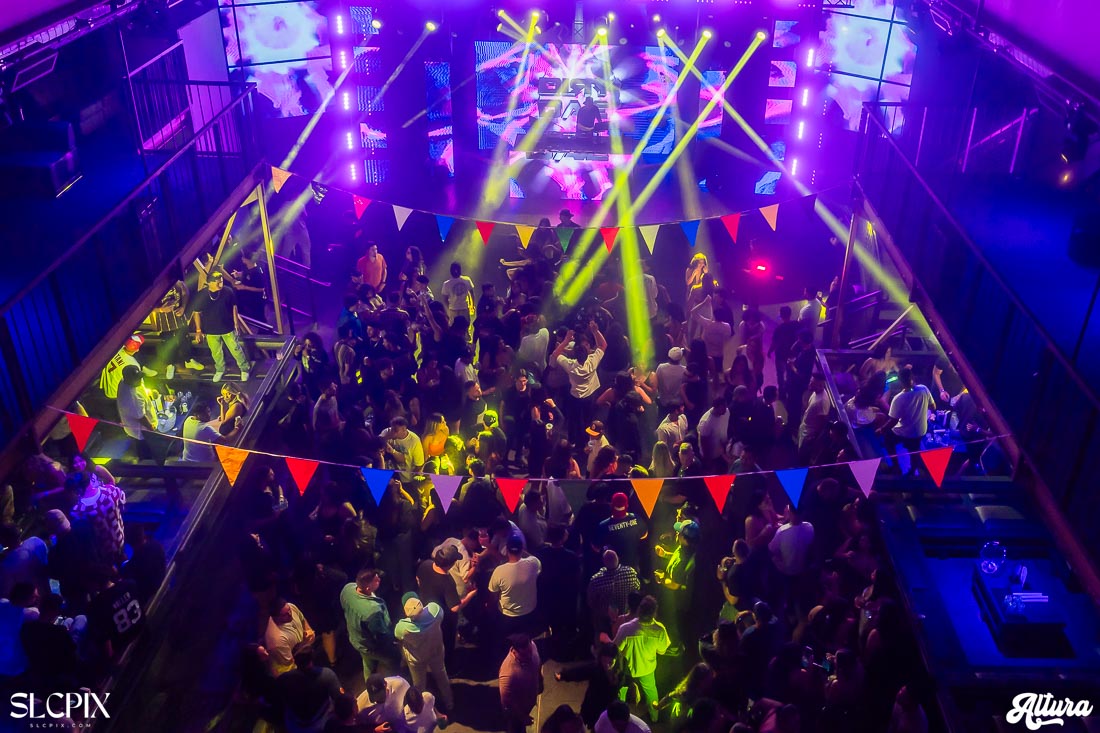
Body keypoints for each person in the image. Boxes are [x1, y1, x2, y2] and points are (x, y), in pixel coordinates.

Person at [610, 595, 669, 720]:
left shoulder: (626, 628)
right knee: (651, 692)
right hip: (647, 668)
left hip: (627, 669)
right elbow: (662, 651)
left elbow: (615, 649)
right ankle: (654, 717)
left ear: (639, 610)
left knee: (622, 692)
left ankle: (620, 717)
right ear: (654, 612)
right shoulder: (660, 629)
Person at [394, 592, 454, 712]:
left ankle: (420, 708)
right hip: (436, 652)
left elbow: (397, 636)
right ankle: (449, 702)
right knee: (442, 676)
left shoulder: (403, 627)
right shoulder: (435, 610)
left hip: (417, 659)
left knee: (419, 684)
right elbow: (440, 614)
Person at [551, 321, 607, 448]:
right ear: (587, 354)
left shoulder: (571, 365)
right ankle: (586, 442)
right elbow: (603, 345)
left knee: (574, 419)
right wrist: (595, 331)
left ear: (575, 355)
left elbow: (555, 354)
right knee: (588, 418)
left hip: (575, 397)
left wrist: (566, 340)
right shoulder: (592, 361)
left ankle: (572, 441)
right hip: (589, 395)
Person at [192, 271, 251, 382]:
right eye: (217, 282)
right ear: (209, 283)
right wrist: (198, 330)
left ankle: (244, 369)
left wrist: (236, 323)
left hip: (227, 327)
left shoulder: (228, 291)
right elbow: (197, 313)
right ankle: (220, 369)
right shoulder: (201, 295)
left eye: (221, 281)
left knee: (236, 349)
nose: (220, 284)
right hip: (210, 329)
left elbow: (234, 307)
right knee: (216, 352)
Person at [340, 569, 397, 679]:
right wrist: (393, 640)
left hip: (357, 639)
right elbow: (381, 635)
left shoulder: (348, 588)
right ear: (367, 588)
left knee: (368, 664)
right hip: (371, 646)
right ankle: (392, 682)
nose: (379, 579)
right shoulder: (372, 611)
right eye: (376, 580)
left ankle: (370, 685)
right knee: (393, 659)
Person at [880, 366, 934, 472]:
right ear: (913, 377)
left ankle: (896, 467)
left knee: (888, 440)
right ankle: (913, 471)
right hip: (920, 431)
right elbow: (933, 406)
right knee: (914, 450)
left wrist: (881, 429)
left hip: (904, 432)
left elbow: (893, 421)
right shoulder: (924, 389)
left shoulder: (898, 398)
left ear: (900, 381)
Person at [488, 534, 541, 639]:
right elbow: (532, 557)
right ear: (522, 550)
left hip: (508, 614)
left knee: (506, 640)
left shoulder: (499, 571)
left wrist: (489, 607)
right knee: (525, 639)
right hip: (529, 612)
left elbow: (493, 595)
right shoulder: (534, 564)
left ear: (507, 550)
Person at [277, 649, 342, 733]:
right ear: (312, 657)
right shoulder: (327, 675)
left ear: (294, 660)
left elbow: (278, 701)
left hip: (295, 726)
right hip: (323, 723)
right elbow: (340, 699)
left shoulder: (283, 678)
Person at [70, 473, 126, 566]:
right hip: (119, 539)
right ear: (90, 481)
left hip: (102, 550)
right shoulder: (110, 491)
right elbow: (123, 503)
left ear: (78, 489)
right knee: (122, 563)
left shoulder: (79, 510)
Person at [586, 549, 640, 633]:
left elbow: (590, 601)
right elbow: (637, 589)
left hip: (605, 622)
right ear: (618, 558)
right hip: (627, 618)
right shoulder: (630, 573)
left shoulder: (596, 580)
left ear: (604, 562)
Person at [499, 633, 541, 733]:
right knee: (516, 728)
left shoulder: (532, 646)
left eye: (530, 651)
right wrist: (522, 717)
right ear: (514, 651)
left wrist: (540, 680)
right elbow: (507, 701)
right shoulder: (508, 673)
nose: (529, 656)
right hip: (517, 712)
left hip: (527, 702)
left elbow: (538, 664)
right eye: (524, 654)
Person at [595, 493, 647, 571]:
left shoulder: (604, 525)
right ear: (627, 505)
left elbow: (596, 548)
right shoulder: (636, 518)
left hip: (613, 570)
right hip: (633, 567)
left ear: (611, 505)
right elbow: (644, 535)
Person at [265, 597, 315, 676]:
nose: (290, 614)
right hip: (288, 670)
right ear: (276, 618)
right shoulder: (277, 640)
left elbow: (302, 619)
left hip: (302, 658)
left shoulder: (291, 607)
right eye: (285, 614)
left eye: (289, 610)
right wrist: (305, 643)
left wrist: (308, 630)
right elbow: (290, 663)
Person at [100, 335, 156, 399]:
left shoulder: (117, 347)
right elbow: (139, 386)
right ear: (137, 350)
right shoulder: (132, 364)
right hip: (114, 395)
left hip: (104, 385)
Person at [769, 306, 800, 395]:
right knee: (790, 372)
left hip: (780, 354)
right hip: (792, 353)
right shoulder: (796, 325)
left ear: (781, 315)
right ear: (790, 314)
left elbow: (774, 342)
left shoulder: (779, 328)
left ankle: (782, 392)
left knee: (780, 374)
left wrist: (770, 351)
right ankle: (789, 389)